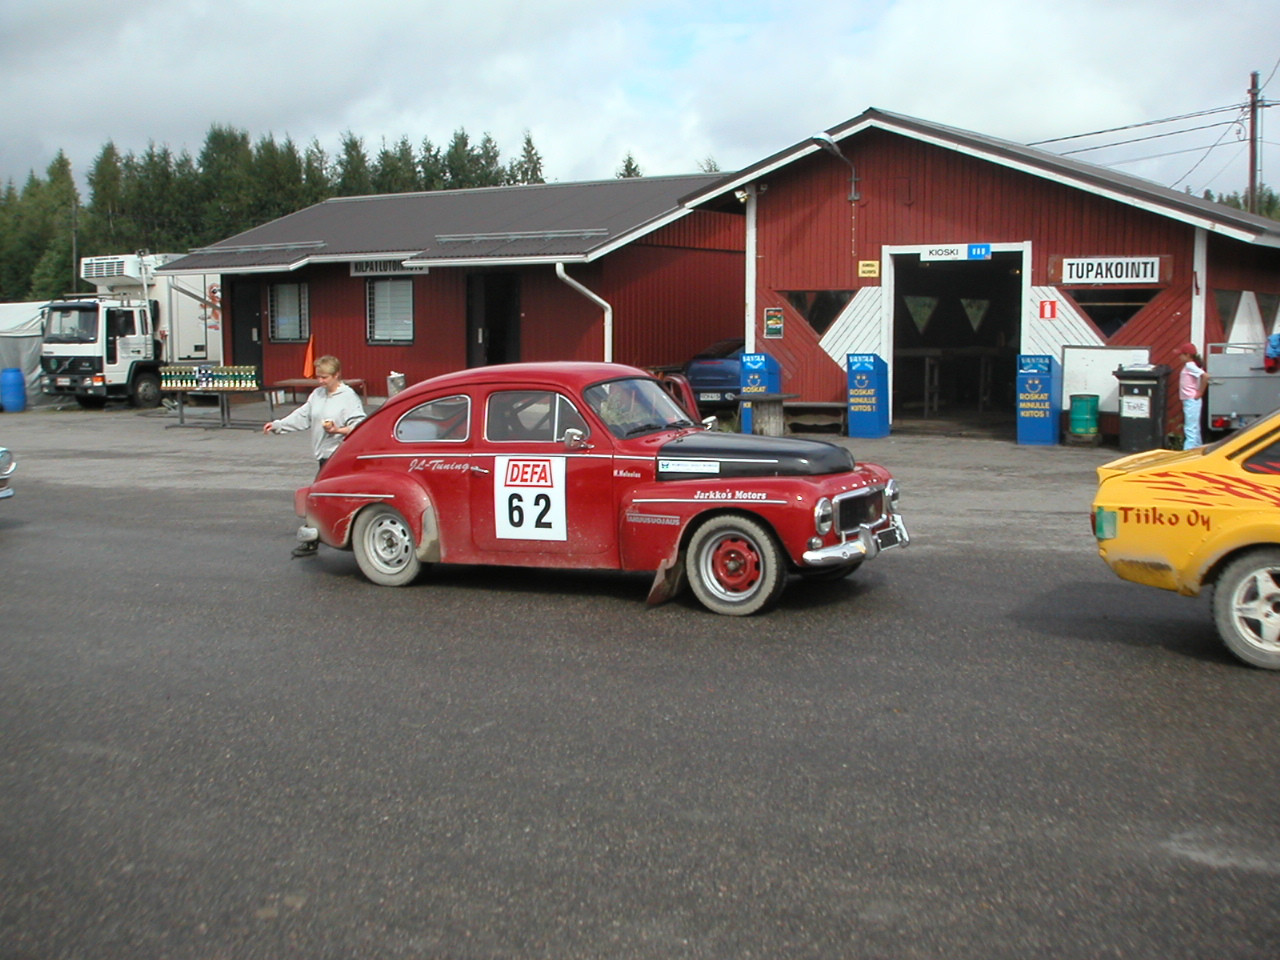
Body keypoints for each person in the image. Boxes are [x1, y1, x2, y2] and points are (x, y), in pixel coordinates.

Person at [263, 355, 366, 557]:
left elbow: (360, 425)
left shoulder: (348, 397)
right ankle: (337, 535)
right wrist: (278, 425)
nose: (321, 381)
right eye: (318, 377)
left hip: (338, 457)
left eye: (325, 377)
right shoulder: (317, 395)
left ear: (337, 375)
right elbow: (302, 416)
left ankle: (314, 540)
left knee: (316, 497)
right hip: (322, 456)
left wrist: (338, 430)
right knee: (324, 497)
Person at [1177, 342, 1207, 450]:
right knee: (1195, 428)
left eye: (1181, 355)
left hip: (1191, 400)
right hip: (1190, 400)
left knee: (1190, 429)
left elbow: (1205, 376)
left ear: (1188, 355)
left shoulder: (1190, 366)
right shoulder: (1190, 366)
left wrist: (1200, 392)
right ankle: (1198, 449)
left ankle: (1187, 453)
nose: (1179, 357)